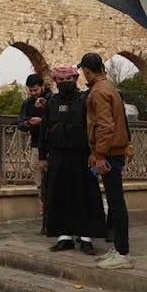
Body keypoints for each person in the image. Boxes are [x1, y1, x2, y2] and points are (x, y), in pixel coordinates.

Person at [37, 66, 106, 255]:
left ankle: (86, 238)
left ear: (75, 79)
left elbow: (94, 127)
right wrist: (42, 156)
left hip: (82, 155)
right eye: (60, 80)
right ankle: (64, 237)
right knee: (59, 195)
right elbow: (44, 130)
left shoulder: (86, 100)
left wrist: (95, 152)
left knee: (84, 195)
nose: (65, 82)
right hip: (58, 155)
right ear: (56, 82)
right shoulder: (50, 103)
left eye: (68, 78)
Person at [79, 53, 133, 269]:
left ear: (87, 70)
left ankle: (122, 253)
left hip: (110, 153)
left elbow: (105, 125)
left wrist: (100, 154)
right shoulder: (109, 88)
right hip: (113, 150)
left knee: (116, 204)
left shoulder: (98, 92)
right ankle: (119, 248)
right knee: (115, 203)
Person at [18, 74, 51, 232]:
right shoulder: (28, 103)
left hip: (52, 147)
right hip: (36, 146)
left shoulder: (51, 100)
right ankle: (45, 213)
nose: (33, 93)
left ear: (42, 87)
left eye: (36, 90)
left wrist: (43, 120)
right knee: (39, 182)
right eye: (31, 90)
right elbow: (20, 123)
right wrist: (27, 123)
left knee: (53, 181)